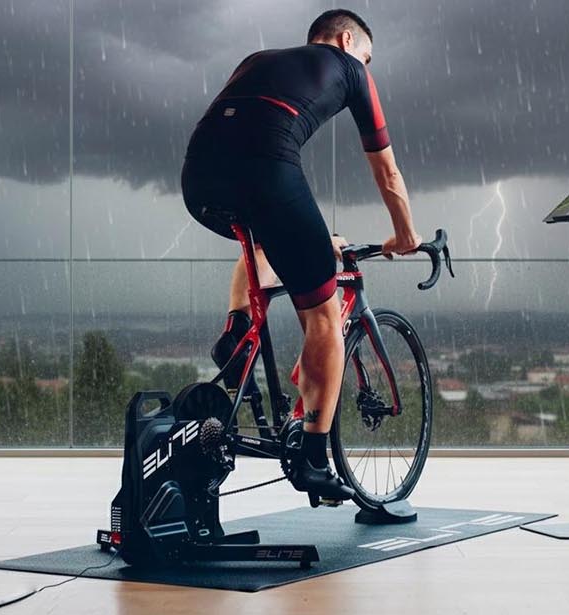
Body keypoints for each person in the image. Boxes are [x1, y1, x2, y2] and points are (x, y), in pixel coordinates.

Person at [180, 9, 421, 503]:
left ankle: (235, 333)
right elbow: (387, 172)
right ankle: (313, 458)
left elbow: (242, 129)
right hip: (266, 171)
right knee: (325, 319)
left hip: (199, 174)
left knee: (261, 236)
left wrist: (312, 234)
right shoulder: (351, 69)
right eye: (367, 57)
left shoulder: (257, 59)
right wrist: (405, 234)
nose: (366, 66)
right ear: (347, 40)